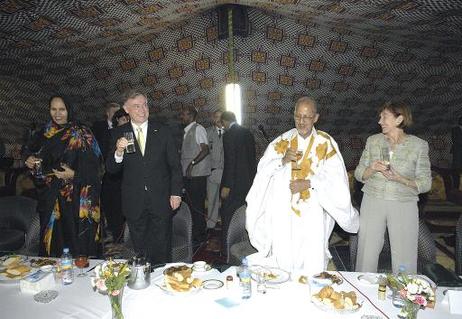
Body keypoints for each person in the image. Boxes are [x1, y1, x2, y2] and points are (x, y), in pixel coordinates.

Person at [245, 97, 359, 275]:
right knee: (284, 260)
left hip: (312, 214)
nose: (301, 121)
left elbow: (337, 181)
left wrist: (309, 183)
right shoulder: (282, 141)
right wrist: (282, 161)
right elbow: (262, 170)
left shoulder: (326, 143)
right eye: (298, 116)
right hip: (284, 213)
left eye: (307, 117)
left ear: (316, 118)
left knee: (311, 260)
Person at [106, 90, 182, 265]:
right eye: (136, 106)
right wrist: (118, 152)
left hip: (161, 200)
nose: (142, 110)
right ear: (127, 109)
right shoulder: (119, 133)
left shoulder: (163, 131)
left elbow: (175, 166)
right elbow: (111, 169)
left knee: (162, 247)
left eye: (145, 105)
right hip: (134, 201)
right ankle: (145, 282)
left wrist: (176, 193)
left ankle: (163, 280)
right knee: (141, 249)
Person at [354, 101, 431, 273]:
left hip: (403, 203)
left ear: (399, 119)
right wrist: (371, 168)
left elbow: (426, 183)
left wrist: (401, 179)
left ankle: (404, 294)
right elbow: (359, 174)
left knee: (404, 254)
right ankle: (362, 290)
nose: (380, 121)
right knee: (367, 251)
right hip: (373, 200)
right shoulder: (372, 141)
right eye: (380, 117)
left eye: (385, 117)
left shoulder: (419, 145)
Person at [24, 96, 103, 257]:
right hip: (50, 199)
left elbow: (99, 168)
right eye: (54, 109)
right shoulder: (43, 133)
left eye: (62, 109)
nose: (57, 114)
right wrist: (29, 160)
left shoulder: (81, 133)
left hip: (76, 200)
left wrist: (74, 174)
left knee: (76, 245)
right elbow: (28, 151)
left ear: (69, 110)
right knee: (53, 247)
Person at [220, 111, 256, 244]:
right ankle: (243, 243)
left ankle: (227, 248)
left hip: (234, 184)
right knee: (244, 214)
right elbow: (252, 159)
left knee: (228, 215)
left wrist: (227, 185)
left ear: (225, 121)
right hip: (248, 183)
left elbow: (231, 161)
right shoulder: (248, 133)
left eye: (222, 123)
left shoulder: (229, 135)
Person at [179, 106, 211, 245]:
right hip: (190, 176)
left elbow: (205, 150)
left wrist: (192, 164)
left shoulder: (198, 129)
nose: (182, 117)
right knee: (192, 205)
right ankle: (196, 233)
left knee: (197, 206)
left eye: (184, 114)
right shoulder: (186, 132)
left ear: (191, 115)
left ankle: (200, 235)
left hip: (197, 175)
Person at [206, 110, 224, 230]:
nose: (219, 119)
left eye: (221, 117)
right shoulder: (207, 132)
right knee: (212, 199)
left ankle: (227, 223)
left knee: (227, 200)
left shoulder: (230, 132)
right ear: (213, 119)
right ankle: (211, 225)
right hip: (212, 172)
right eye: (216, 117)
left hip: (226, 172)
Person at [451, 116, 462, 189]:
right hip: (458, 153)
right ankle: (456, 188)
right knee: (456, 170)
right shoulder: (455, 129)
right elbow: (456, 141)